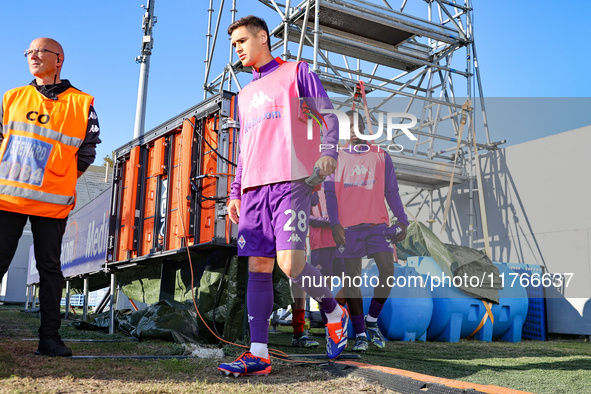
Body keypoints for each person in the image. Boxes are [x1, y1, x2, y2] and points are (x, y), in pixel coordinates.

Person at [218, 16, 348, 377]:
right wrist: (235, 191)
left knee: (289, 265)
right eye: (233, 45)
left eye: (242, 41)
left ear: (263, 37)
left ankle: (334, 311)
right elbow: (245, 148)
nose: (238, 49)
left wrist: (329, 151)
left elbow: (329, 115)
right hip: (254, 189)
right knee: (258, 266)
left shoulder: (296, 72)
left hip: (292, 180)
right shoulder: (243, 96)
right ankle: (258, 354)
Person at [0, 38, 101, 357]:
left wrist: (62, 178)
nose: (32, 56)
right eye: (28, 51)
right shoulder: (12, 97)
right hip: (8, 198)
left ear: (58, 60)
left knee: (50, 269)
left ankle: (49, 339)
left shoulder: (81, 103)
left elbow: (87, 150)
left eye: (39, 51)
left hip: (51, 202)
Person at [325, 110, 408, 352]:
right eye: (348, 125)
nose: (353, 129)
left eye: (357, 124)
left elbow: (391, 192)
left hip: (377, 224)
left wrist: (402, 219)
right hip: (348, 227)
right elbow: (330, 194)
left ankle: (372, 321)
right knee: (352, 278)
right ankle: (360, 333)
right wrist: (335, 223)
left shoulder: (381, 156)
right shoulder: (335, 158)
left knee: (388, 269)